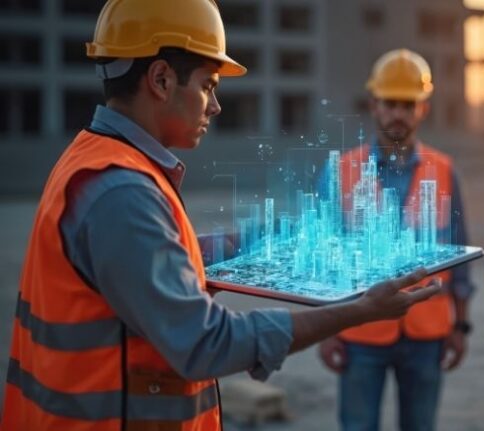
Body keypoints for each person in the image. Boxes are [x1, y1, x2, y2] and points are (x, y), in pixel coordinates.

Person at [0, 2, 440, 430]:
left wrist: (250, 240)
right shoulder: (122, 191)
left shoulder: (98, 161)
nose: (215, 106)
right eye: (209, 84)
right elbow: (207, 343)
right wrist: (357, 311)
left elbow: (146, 268)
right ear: (161, 79)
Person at [318, 49, 475, 431]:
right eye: (391, 103)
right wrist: (325, 332)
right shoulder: (341, 170)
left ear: (423, 108)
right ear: (374, 105)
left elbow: (460, 256)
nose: (398, 114)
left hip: (427, 333)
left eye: (408, 104)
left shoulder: (444, 171)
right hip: (360, 331)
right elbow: (324, 259)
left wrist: (461, 326)